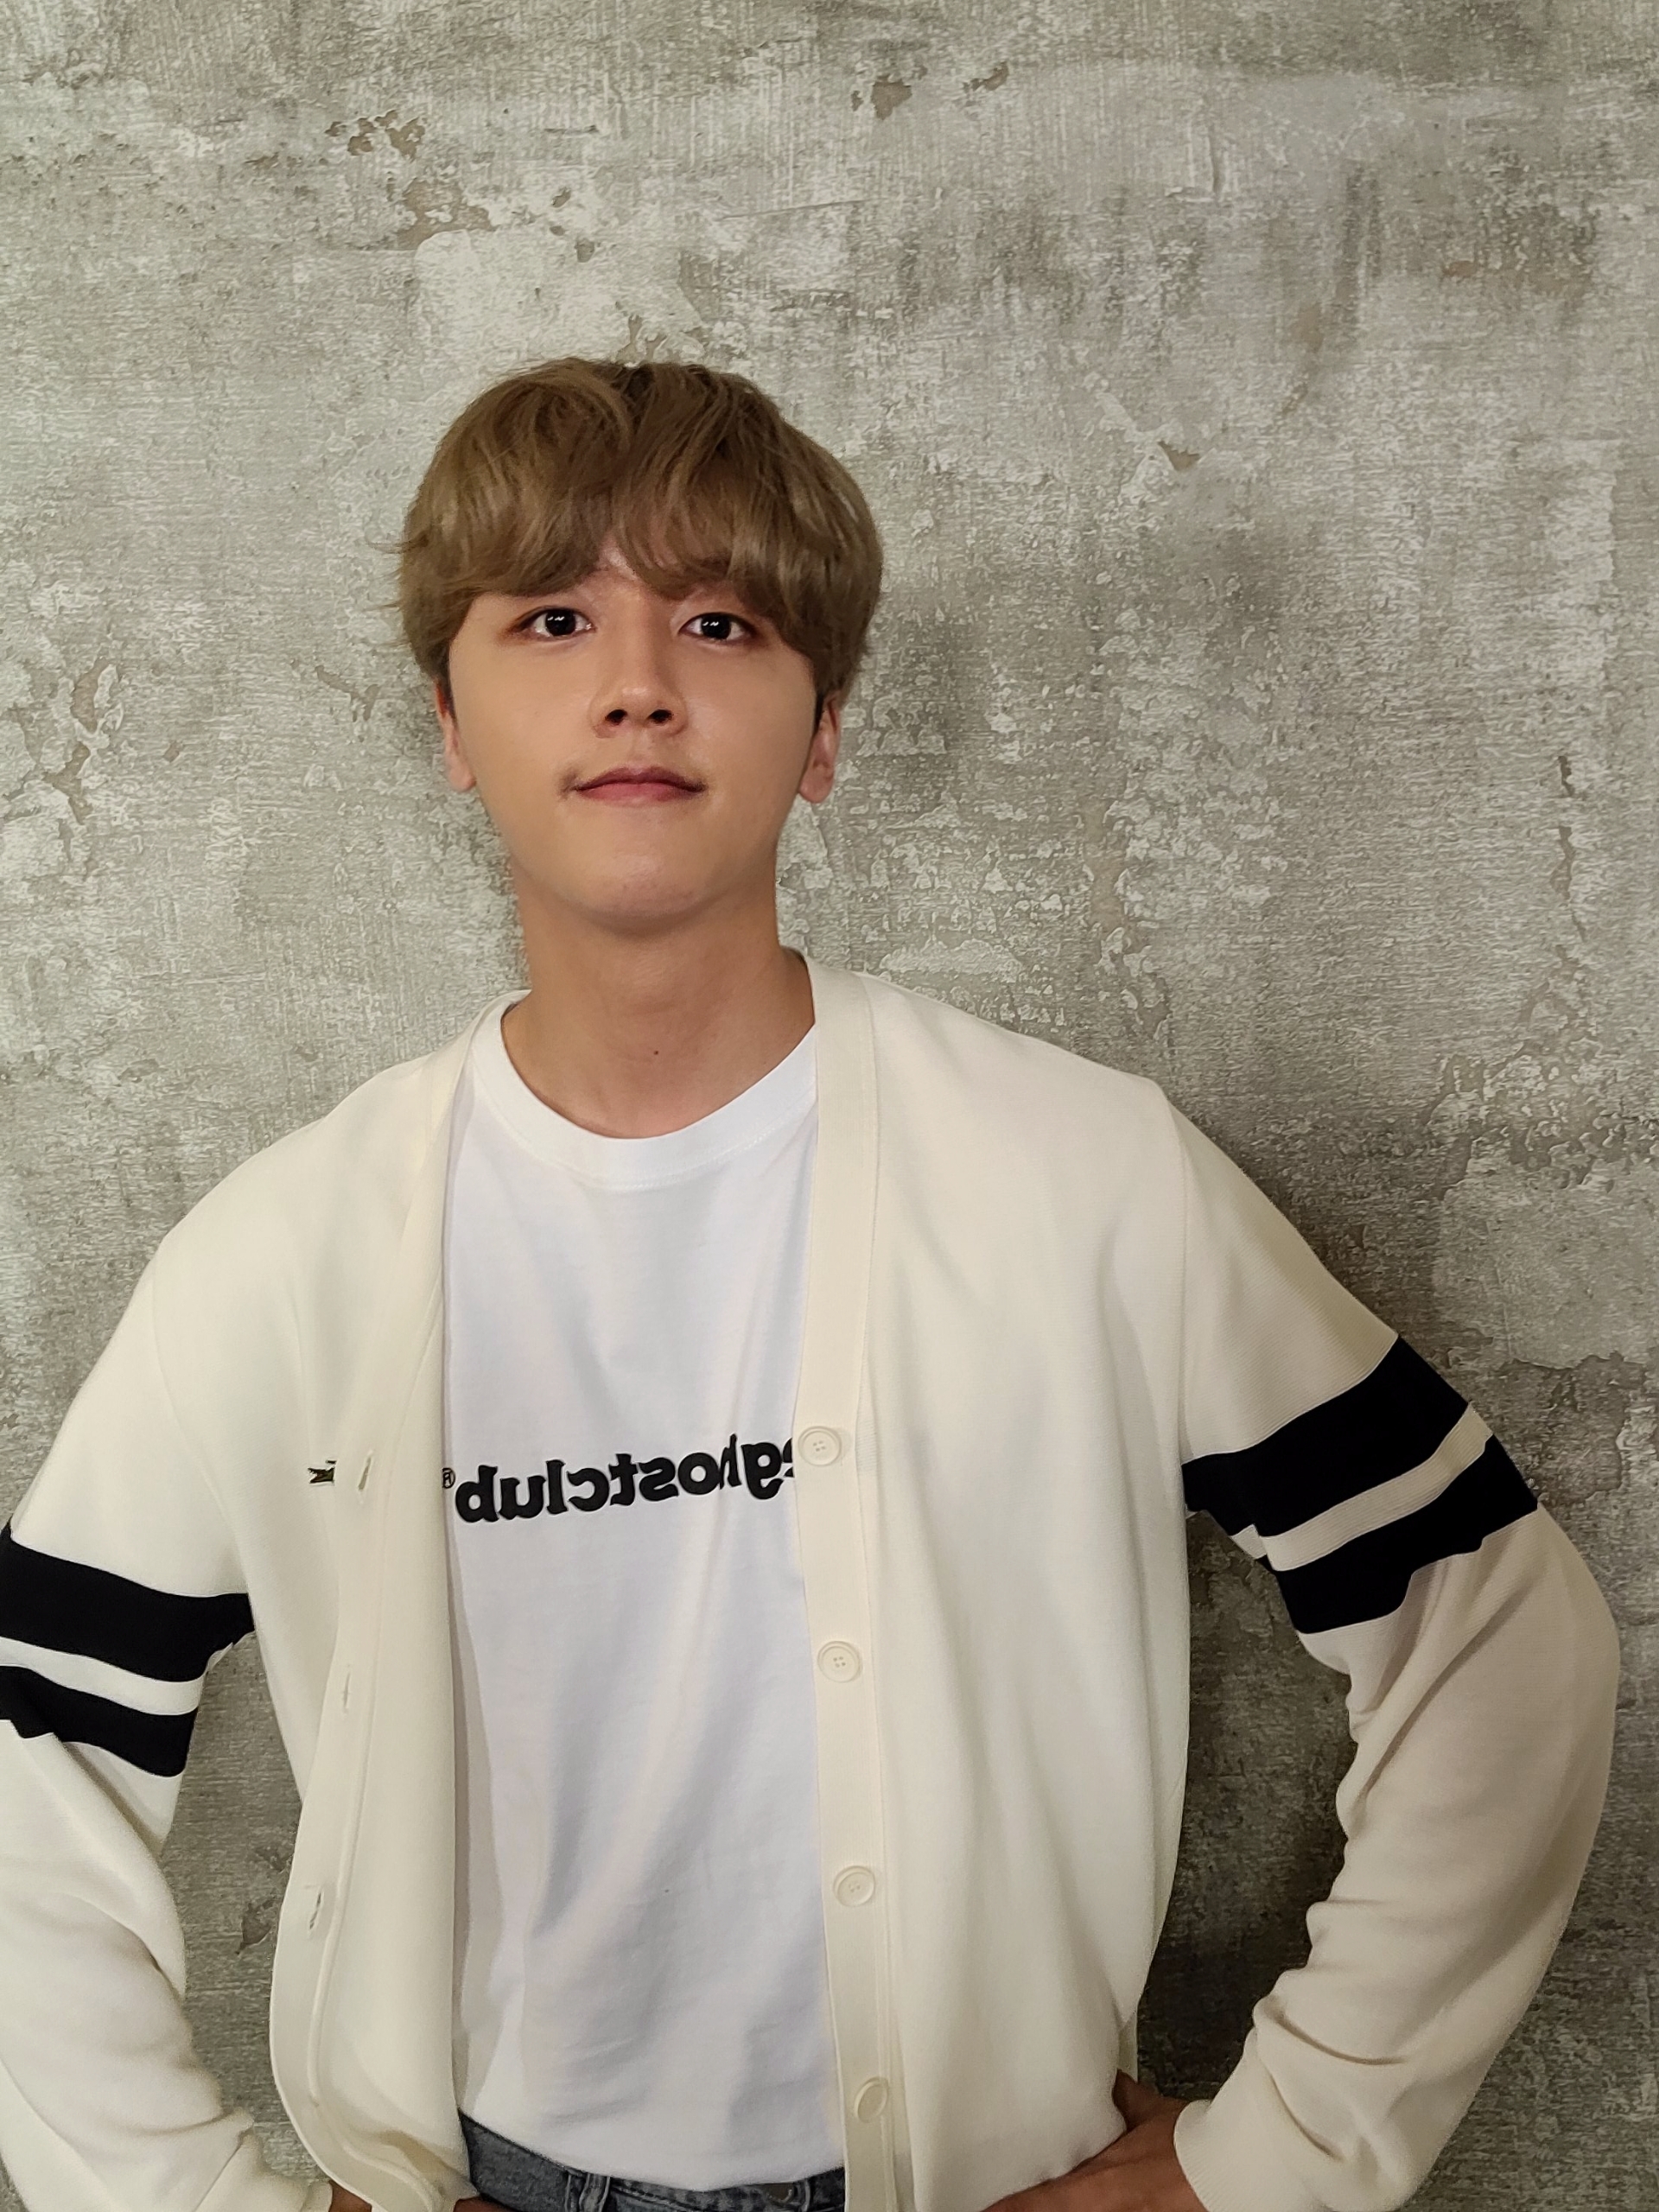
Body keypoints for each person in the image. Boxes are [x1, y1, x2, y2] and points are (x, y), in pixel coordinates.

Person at [0, 358, 1618, 2212]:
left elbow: (1497, 1629)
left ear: (826, 727)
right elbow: (33, 1740)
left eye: (720, 621)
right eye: (551, 618)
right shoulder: (286, 1254)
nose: (638, 681)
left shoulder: (1081, 1176)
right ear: (449, 719)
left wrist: (1282, 2153)